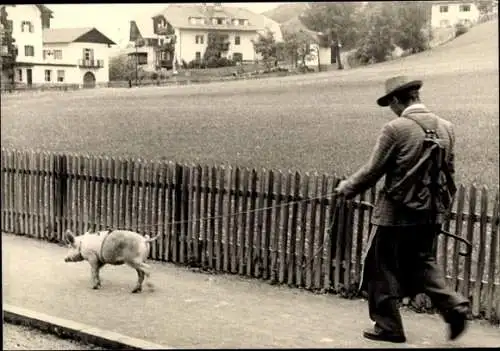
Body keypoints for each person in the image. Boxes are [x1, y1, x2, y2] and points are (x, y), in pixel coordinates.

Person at [334, 76, 470, 343]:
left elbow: (373, 171)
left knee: (378, 266)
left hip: (395, 214)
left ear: (397, 100)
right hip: (430, 214)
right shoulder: (446, 127)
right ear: (416, 96)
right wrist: (440, 210)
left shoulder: (395, 129)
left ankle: (389, 327)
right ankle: (454, 306)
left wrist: (347, 188)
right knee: (422, 262)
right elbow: (450, 176)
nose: (391, 110)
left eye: (390, 104)